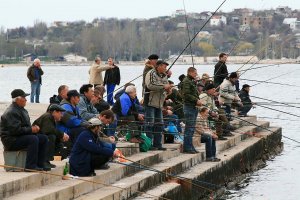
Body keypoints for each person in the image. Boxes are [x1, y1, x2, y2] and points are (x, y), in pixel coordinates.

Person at [0, 89, 50, 171]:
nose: (26, 99)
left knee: (43, 138)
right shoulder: (11, 112)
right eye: (24, 97)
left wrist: (34, 129)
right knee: (33, 139)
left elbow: (25, 127)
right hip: (11, 140)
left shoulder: (21, 109)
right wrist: (31, 130)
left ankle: (40, 164)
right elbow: (15, 131)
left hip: (19, 136)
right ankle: (30, 166)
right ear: (18, 99)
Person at [144, 60, 171, 150]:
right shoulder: (151, 73)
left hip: (159, 103)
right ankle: (149, 144)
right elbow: (150, 85)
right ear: (158, 66)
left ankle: (157, 144)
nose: (165, 68)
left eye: (166, 67)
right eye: (164, 66)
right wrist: (164, 87)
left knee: (159, 124)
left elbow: (166, 86)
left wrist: (168, 90)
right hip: (150, 102)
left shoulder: (164, 75)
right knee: (149, 124)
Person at [33, 104, 69, 169]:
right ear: (54, 112)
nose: (62, 115)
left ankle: (47, 160)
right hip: (36, 138)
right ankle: (44, 161)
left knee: (58, 142)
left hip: (40, 138)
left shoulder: (51, 118)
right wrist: (62, 134)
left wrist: (61, 137)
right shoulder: (47, 116)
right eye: (60, 113)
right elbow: (48, 130)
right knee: (51, 137)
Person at [181, 67, 202, 153]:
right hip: (189, 107)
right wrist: (196, 100)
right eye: (195, 73)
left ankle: (190, 146)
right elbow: (186, 94)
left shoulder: (191, 81)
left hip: (193, 107)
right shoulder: (186, 81)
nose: (196, 75)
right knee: (189, 128)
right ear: (190, 72)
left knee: (192, 128)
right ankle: (187, 147)